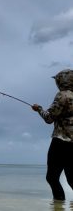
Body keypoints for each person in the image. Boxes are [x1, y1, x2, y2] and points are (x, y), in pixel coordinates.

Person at [32, 69, 73, 201]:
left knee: (52, 178)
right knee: (72, 179)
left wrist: (39, 109)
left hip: (61, 142)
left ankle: (58, 206)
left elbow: (49, 118)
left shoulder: (62, 95)